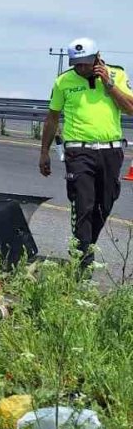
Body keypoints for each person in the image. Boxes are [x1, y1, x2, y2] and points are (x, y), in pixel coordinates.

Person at [39, 37, 133, 270]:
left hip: (110, 151)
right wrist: (44, 152)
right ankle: (82, 262)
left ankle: (87, 246)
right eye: (76, 64)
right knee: (83, 205)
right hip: (78, 151)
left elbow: (130, 109)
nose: (81, 68)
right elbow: (52, 118)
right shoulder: (63, 81)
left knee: (105, 204)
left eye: (85, 63)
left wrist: (109, 85)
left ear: (97, 58)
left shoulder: (117, 74)